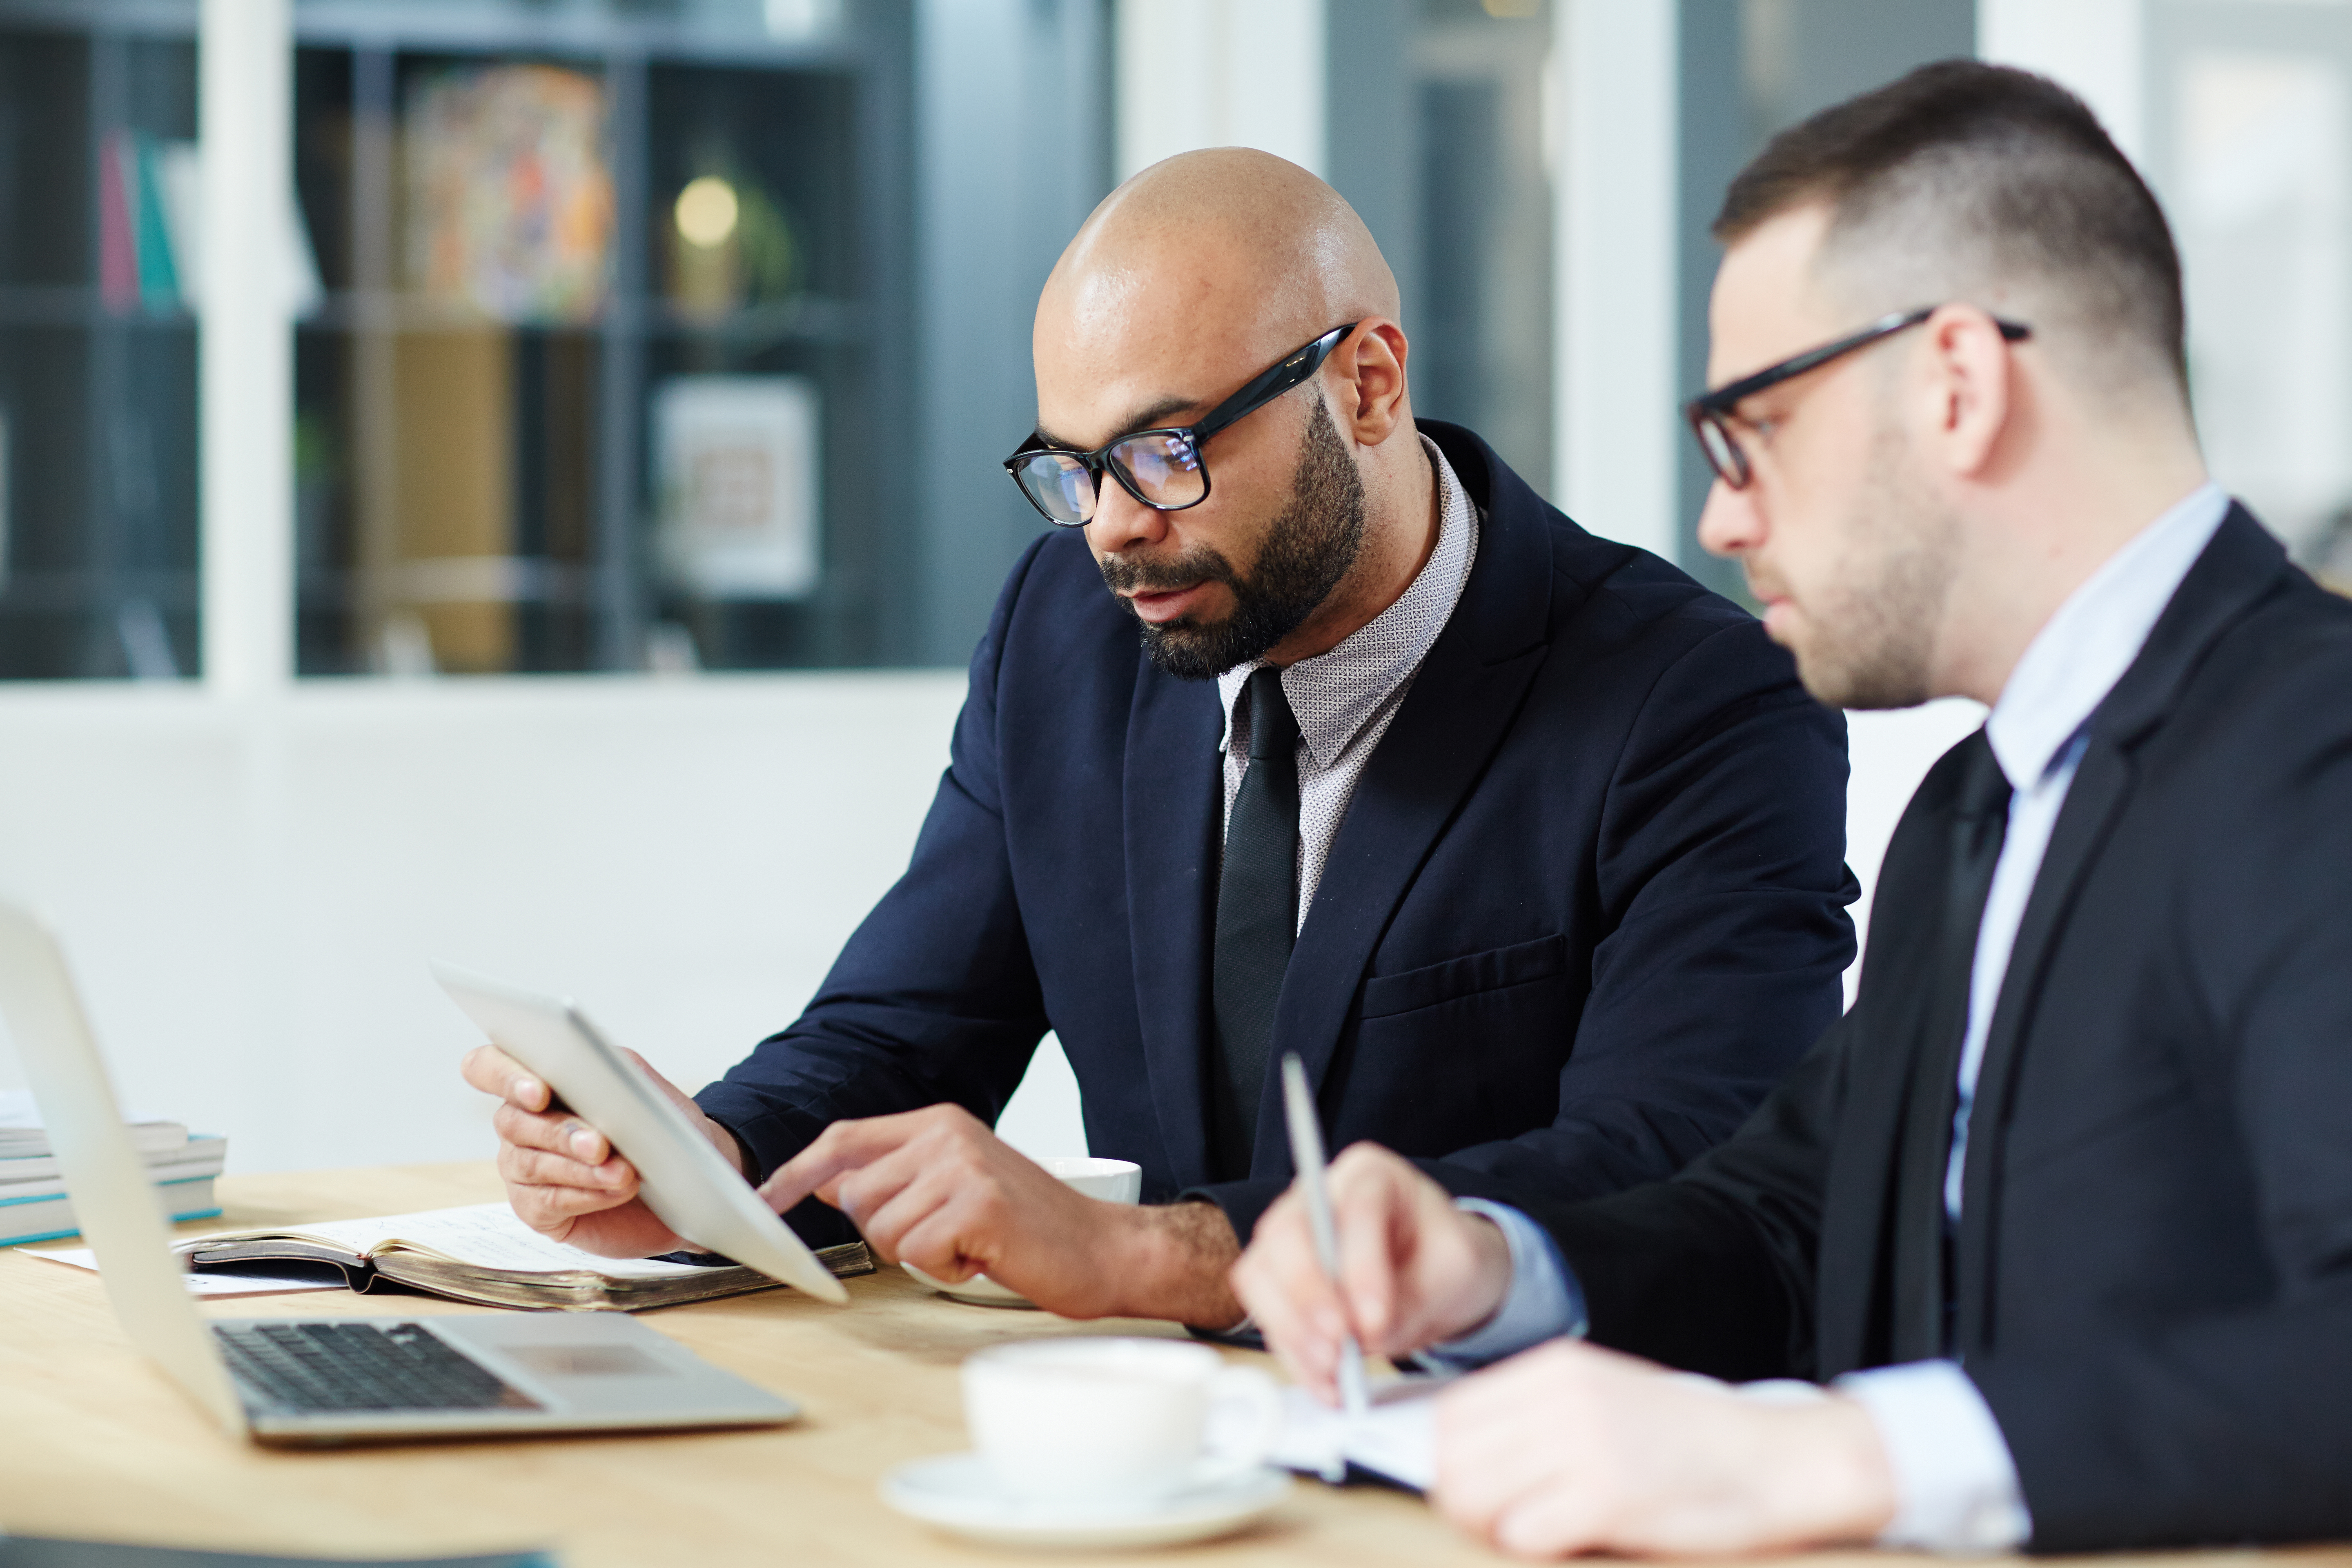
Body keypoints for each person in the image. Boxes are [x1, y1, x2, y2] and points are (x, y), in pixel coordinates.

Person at [1232, 60, 2352, 1557]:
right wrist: (1490, 1270)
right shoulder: (1978, 803)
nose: (1719, 517)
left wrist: (1839, 1456)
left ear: (1959, 384)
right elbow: (1796, 1220)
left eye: (1750, 429)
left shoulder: (2315, 747)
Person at [461, 148, 1854, 1330]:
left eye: (1167, 450)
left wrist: (1146, 1256)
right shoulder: (1068, 633)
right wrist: (704, 1155)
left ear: (1367, 385)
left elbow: (1685, 1167)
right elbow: (910, 1029)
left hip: (1516, 1468)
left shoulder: (1697, 699)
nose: (1114, 527)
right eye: (1071, 470)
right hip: (1147, 1457)